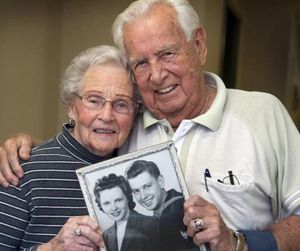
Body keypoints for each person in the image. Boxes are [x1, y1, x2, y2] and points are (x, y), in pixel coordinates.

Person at [0, 0, 300, 250]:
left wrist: (239, 243)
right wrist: (27, 149)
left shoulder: (263, 114)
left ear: (199, 45)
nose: (156, 76)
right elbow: (83, 141)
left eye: (167, 54)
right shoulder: (128, 126)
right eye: (141, 63)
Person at [0, 45, 140, 250]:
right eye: (94, 101)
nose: (107, 116)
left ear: (135, 114)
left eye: (121, 104)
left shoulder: (138, 169)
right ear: (72, 108)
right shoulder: (20, 171)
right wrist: (52, 248)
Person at [125, 160, 199, 251]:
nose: (143, 196)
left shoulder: (181, 208)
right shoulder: (158, 218)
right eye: (136, 191)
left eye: (147, 186)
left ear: (160, 181)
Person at [93, 173, 159, 251]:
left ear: (127, 198)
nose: (114, 208)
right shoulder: (106, 235)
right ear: (101, 206)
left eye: (118, 200)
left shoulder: (152, 224)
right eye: (107, 203)